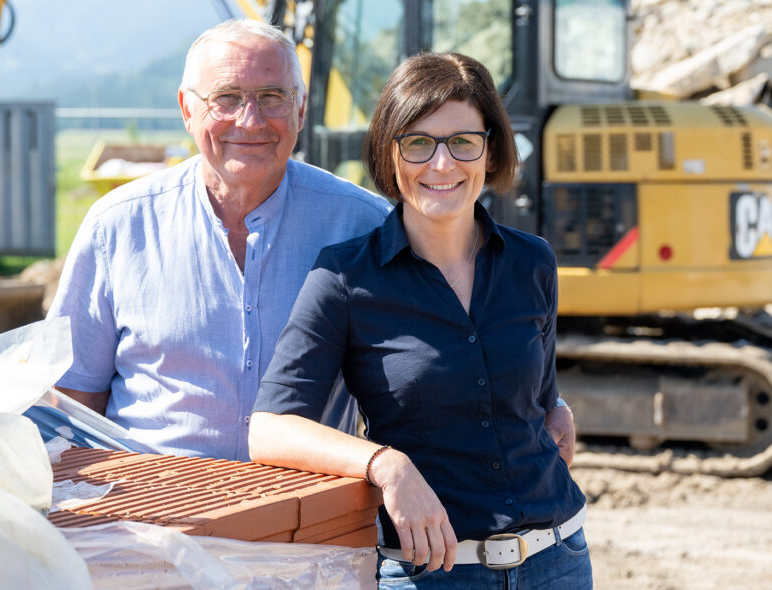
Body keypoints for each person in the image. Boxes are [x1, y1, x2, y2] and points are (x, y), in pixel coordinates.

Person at [48, 19, 576, 463]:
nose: (249, 120)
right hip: (156, 530)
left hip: (307, 541)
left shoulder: (363, 225)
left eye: (272, 97)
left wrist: (543, 404)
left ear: (301, 110)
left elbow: (453, 350)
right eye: (226, 99)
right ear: (188, 110)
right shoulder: (117, 226)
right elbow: (73, 402)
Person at [249, 52, 590, 588]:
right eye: (418, 142)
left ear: (489, 149)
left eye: (462, 142)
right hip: (432, 573)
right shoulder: (345, 278)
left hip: (558, 561)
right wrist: (387, 465)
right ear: (391, 153)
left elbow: (541, 398)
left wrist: (556, 405)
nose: (442, 164)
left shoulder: (533, 262)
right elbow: (270, 429)